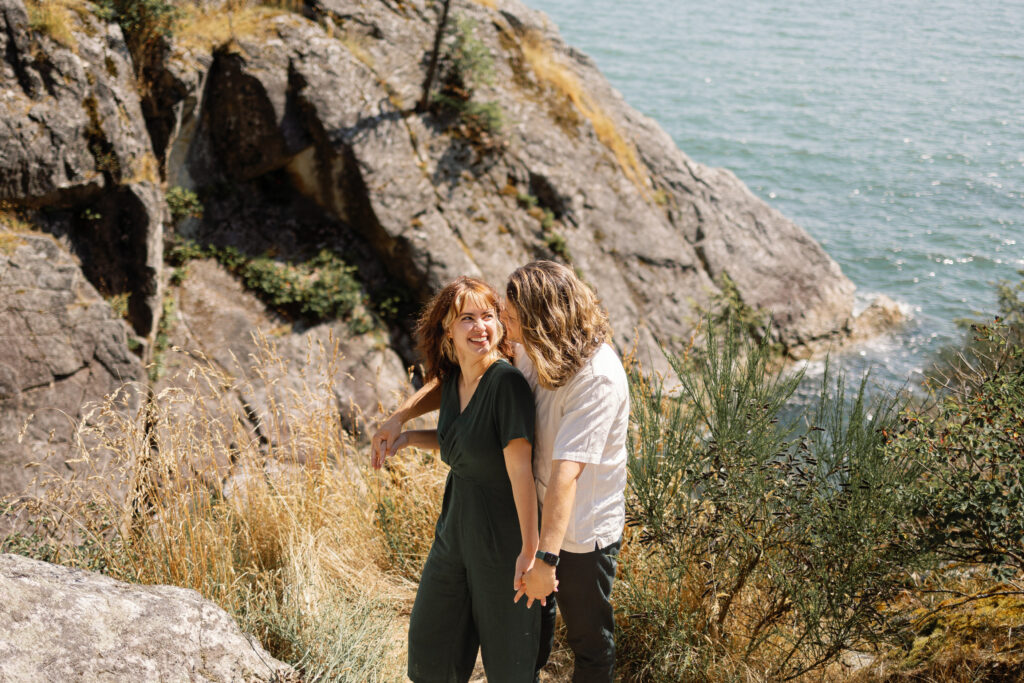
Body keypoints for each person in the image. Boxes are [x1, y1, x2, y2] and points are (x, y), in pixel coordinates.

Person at [373, 261, 629, 683]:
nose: (500, 324)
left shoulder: (597, 378)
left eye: (507, 315)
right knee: (533, 640)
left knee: (588, 643)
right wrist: (400, 418)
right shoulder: (532, 343)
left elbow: (567, 474)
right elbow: (463, 376)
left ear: (542, 316)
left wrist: (544, 558)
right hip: (532, 516)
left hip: (579, 533)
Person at [380, 276, 541, 683]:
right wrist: (406, 435)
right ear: (447, 329)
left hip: (501, 541)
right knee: (431, 648)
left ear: (500, 324)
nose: (479, 327)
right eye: (466, 318)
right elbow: (466, 443)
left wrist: (531, 550)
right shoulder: (455, 380)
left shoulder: (506, 385)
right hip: (454, 532)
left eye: (488, 316)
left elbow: (520, 473)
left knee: (509, 665)